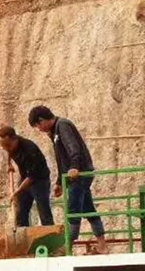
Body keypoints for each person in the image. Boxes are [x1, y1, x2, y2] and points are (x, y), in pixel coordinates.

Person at [27, 105, 106, 250]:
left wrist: (75, 166)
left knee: (73, 208)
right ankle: (102, 245)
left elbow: (73, 147)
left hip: (79, 174)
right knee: (88, 208)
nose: (40, 130)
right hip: (73, 175)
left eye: (38, 126)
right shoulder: (54, 132)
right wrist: (59, 181)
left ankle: (67, 246)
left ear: (42, 120)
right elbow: (61, 159)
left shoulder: (62, 125)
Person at [0, 125, 53, 228]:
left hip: (39, 180)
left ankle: (50, 236)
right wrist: (9, 164)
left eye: (7, 145)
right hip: (25, 178)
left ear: (15, 139)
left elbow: (32, 176)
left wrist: (17, 191)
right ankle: (22, 236)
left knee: (44, 211)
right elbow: (8, 151)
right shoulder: (9, 146)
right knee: (21, 212)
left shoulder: (30, 149)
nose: (5, 148)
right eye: (3, 146)